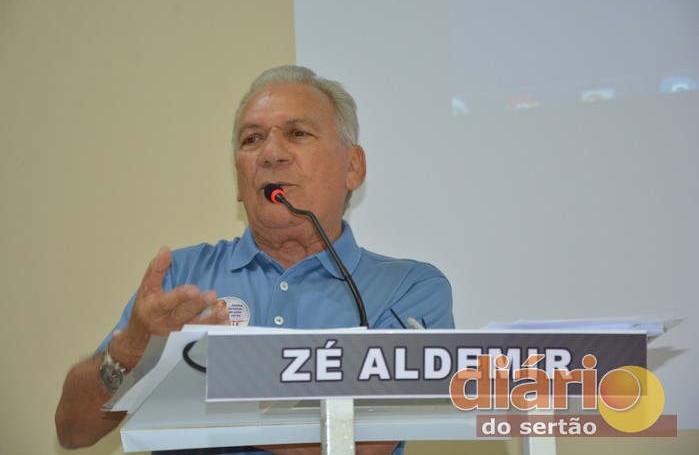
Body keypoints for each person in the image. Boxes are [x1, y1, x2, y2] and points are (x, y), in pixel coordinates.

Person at [55, 65, 454, 455]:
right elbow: (72, 430)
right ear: (239, 180)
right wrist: (129, 352)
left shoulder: (408, 288)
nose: (271, 153)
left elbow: (366, 443)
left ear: (353, 166)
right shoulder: (182, 278)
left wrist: (190, 390)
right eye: (252, 139)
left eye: (297, 133)